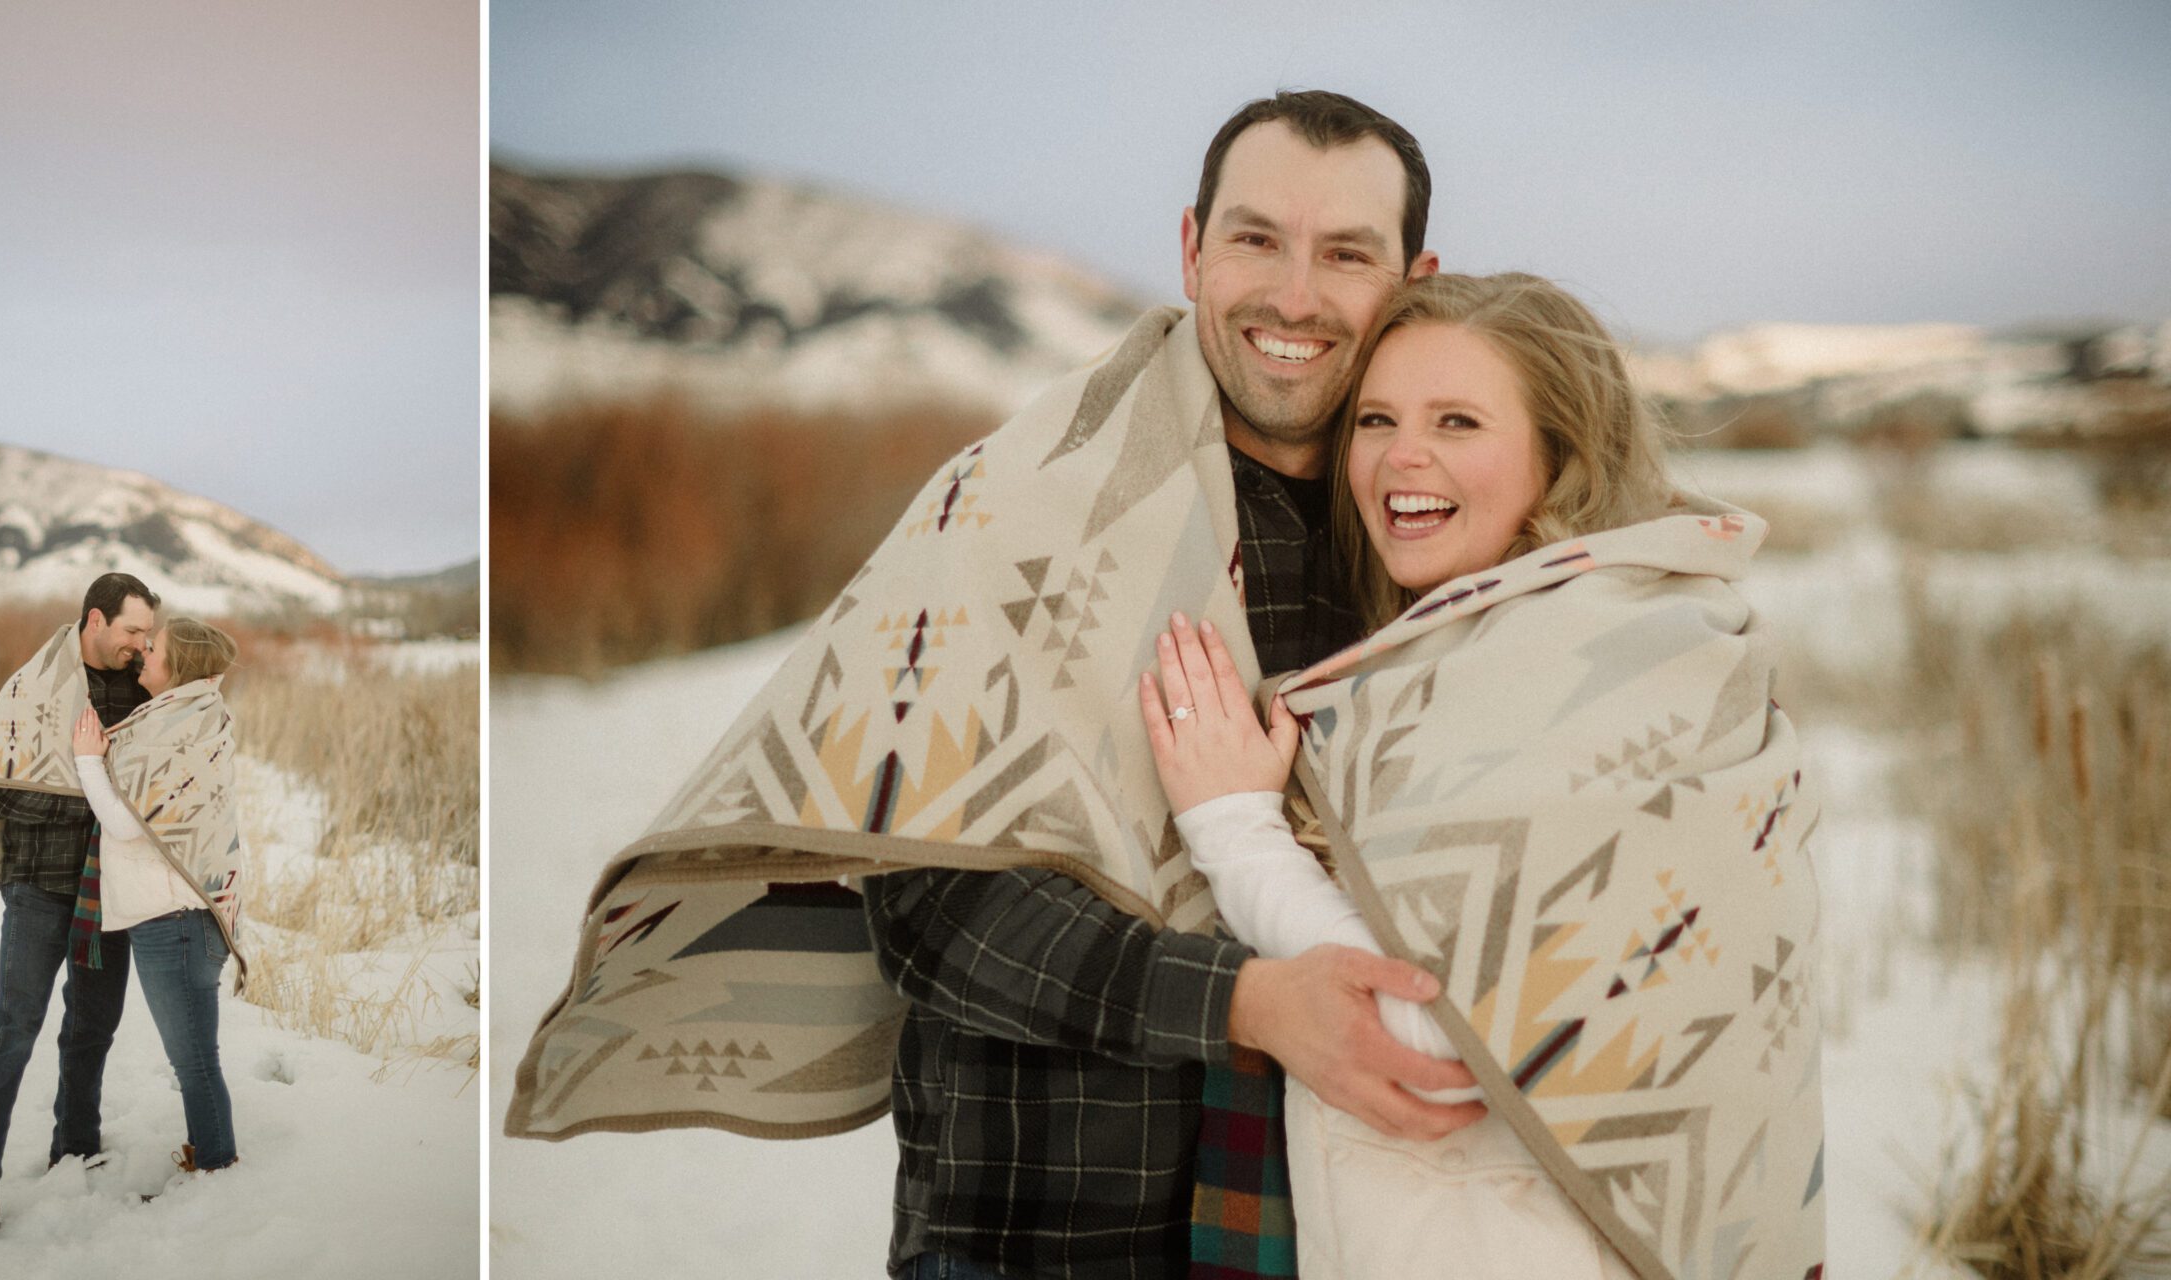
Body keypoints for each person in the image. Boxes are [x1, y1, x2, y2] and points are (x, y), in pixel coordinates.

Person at [508, 91, 1479, 1280]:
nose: (1293, 293)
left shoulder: (1442, 543)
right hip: (1034, 1231)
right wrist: (1246, 999)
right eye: (1255, 238)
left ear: (1415, 278)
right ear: (1191, 248)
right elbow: (932, 895)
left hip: (1343, 1225)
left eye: (1346, 254)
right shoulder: (1021, 502)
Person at [1141, 273, 1827, 1279]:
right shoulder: (1466, 657)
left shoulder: (1605, 670)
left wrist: (1235, 828)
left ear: (1562, 453)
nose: (1400, 457)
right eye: (1376, 419)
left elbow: (1443, 1033)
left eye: (1457, 421)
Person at [0, 572, 158, 1232]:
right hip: (38, 884)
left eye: (148, 633)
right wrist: (89, 791)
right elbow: (3, 793)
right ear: (95, 621)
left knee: (93, 1026)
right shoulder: (32, 689)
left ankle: (77, 1148)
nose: (141, 643)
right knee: (14, 1025)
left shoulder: (146, 691)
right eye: (131, 630)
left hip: (109, 891)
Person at [70, 616, 249, 1178]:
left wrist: (87, 760)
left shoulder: (175, 729)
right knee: (194, 1057)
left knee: (193, 1060)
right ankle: (209, 1159)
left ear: (180, 665)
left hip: (175, 919)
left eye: (156, 648)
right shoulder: (190, 718)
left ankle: (216, 1169)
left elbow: (127, 824)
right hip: (181, 916)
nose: (144, 652)